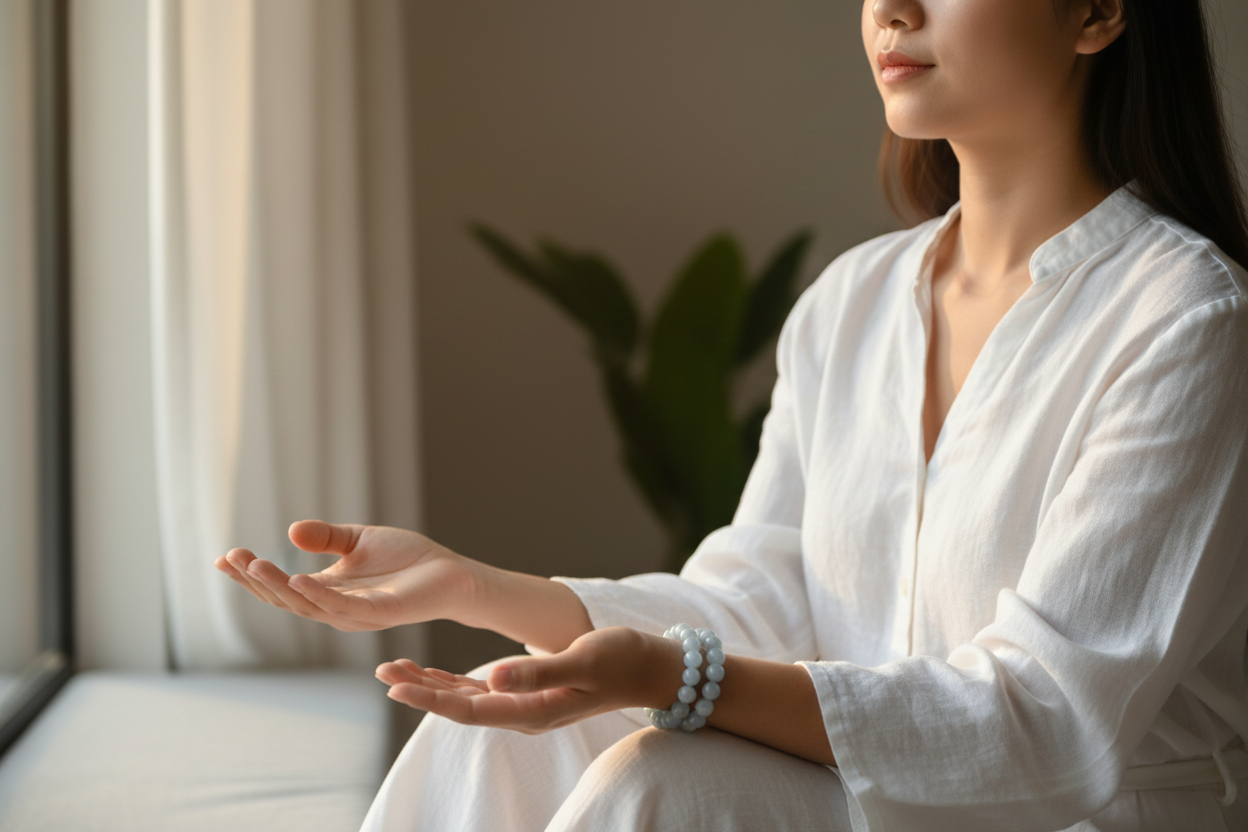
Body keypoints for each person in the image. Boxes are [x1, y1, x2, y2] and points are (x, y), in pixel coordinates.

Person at [215, 0, 1248, 828]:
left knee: (660, 785)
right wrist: (484, 588)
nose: (890, 11)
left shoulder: (1188, 320)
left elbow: (1048, 724)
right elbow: (760, 597)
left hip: (1082, 814)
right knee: (501, 714)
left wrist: (675, 675)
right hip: (875, 797)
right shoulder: (851, 304)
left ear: (1100, 14)